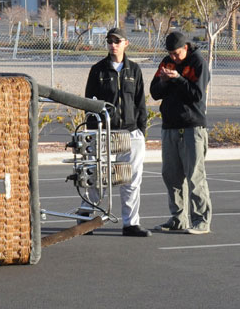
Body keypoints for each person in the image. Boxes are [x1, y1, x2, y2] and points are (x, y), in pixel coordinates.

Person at [79, 28, 150, 237]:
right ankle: (87, 219)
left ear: (126, 43)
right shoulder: (98, 70)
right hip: (105, 132)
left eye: (117, 41)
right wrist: (94, 132)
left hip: (130, 133)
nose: (113, 45)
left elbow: (140, 103)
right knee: (97, 177)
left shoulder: (134, 70)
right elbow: (89, 103)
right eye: (110, 41)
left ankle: (131, 223)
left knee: (131, 180)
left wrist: (141, 131)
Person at [149, 30, 212, 235]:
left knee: (194, 176)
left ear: (185, 48)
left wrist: (177, 79)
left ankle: (201, 220)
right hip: (170, 126)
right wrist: (165, 81)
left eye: (176, 54)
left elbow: (197, 95)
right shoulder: (167, 62)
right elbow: (155, 92)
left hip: (192, 126)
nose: (173, 58)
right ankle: (178, 218)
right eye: (170, 54)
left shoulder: (198, 63)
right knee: (171, 176)